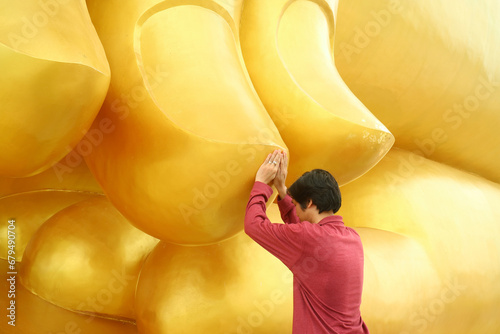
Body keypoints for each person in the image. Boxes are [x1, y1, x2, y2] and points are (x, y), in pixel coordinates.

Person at [244, 150, 369, 334]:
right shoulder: (352, 238)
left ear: (309, 203)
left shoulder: (308, 238)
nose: (294, 207)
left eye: (295, 204)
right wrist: (281, 189)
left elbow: (253, 225)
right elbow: (306, 239)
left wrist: (261, 184)